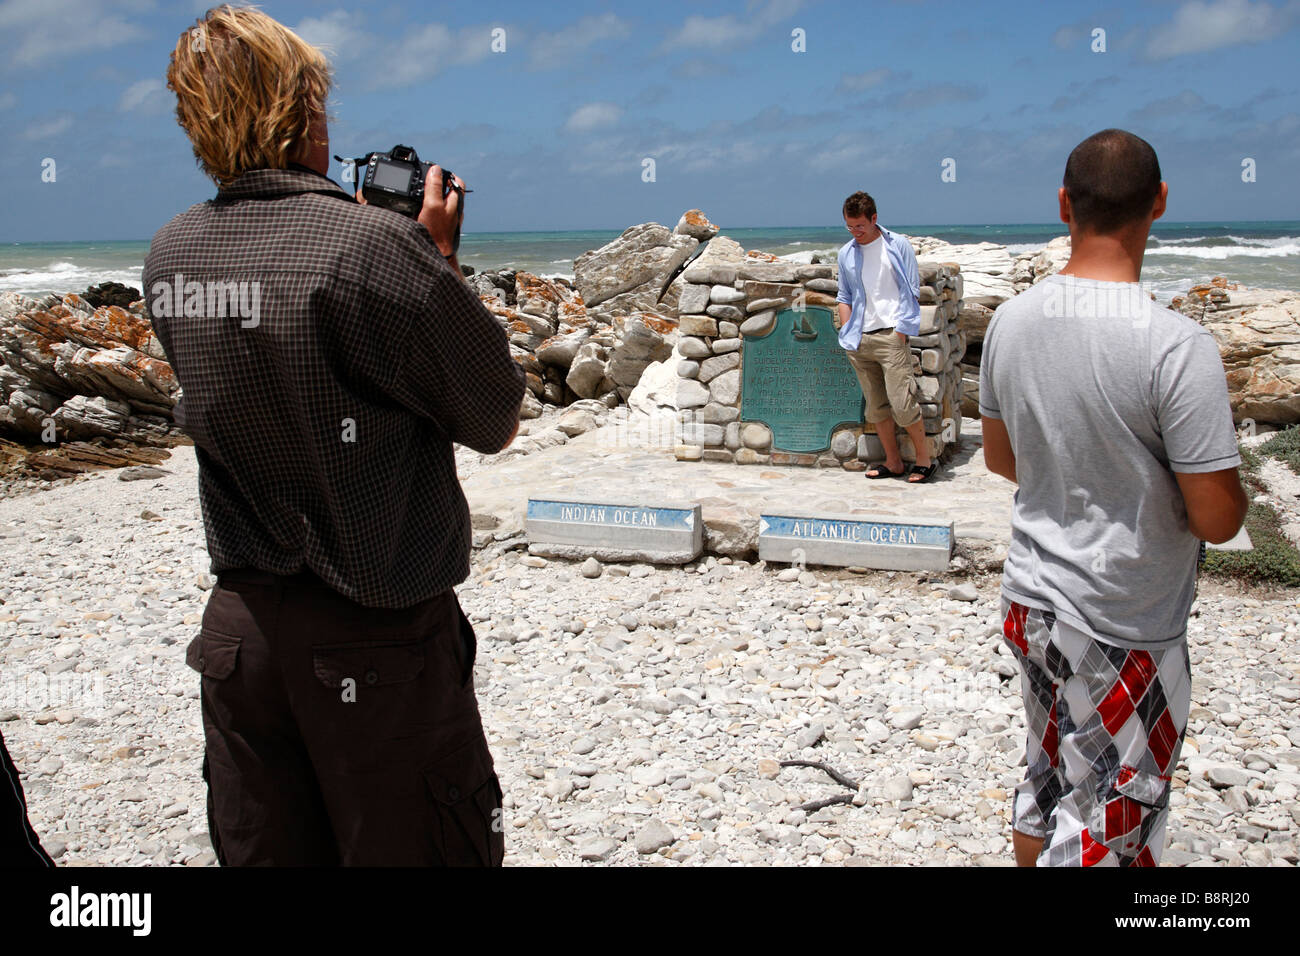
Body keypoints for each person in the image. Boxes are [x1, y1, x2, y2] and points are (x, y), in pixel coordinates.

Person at [144, 6, 525, 865]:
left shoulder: (171, 253)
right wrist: (433, 260)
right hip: (376, 629)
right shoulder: (375, 250)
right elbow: (493, 415)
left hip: (241, 637)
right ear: (305, 112)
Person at [979, 129, 1248, 867]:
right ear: (1159, 203)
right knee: (1114, 810)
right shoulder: (1176, 345)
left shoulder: (1010, 321)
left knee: (1046, 773)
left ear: (1063, 204)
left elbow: (1005, 460)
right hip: (1124, 616)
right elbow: (1219, 520)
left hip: (1031, 596)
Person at [834, 191, 936, 482]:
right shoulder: (846, 253)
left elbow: (912, 290)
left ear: (874, 219)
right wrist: (846, 329)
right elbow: (844, 295)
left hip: (892, 336)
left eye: (860, 226)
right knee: (876, 407)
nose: (855, 232)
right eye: (850, 226)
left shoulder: (898, 245)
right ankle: (893, 463)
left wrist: (902, 331)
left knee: (903, 405)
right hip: (859, 339)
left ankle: (924, 460)